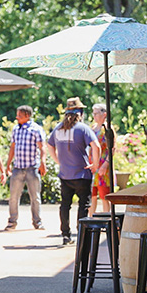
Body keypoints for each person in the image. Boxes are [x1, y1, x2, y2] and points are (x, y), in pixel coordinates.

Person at [46, 98, 100, 246]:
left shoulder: (58, 129)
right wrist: (95, 165)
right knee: (84, 205)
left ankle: (65, 235)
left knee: (65, 205)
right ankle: (82, 234)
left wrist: (58, 161)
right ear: (80, 112)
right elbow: (96, 146)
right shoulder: (83, 128)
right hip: (82, 174)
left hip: (65, 175)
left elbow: (49, 146)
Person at [4, 105, 46, 230]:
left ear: (27, 116)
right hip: (18, 167)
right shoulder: (16, 129)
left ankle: (37, 222)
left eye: (19, 115)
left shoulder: (36, 129)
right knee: (13, 197)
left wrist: (43, 163)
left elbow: (42, 147)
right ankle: (12, 221)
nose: (17, 117)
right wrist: (8, 164)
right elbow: (12, 147)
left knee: (35, 197)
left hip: (32, 167)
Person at [90, 103, 114, 215]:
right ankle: (90, 220)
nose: (94, 116)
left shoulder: (108, 128)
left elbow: (112, 148)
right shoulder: (93, 128)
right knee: (92, 195)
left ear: (104, 114)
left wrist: (106, 164)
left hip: (103, 165)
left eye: (96, 113)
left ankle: (106, 220)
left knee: (104, 196)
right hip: (93, 165)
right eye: (93, 113)